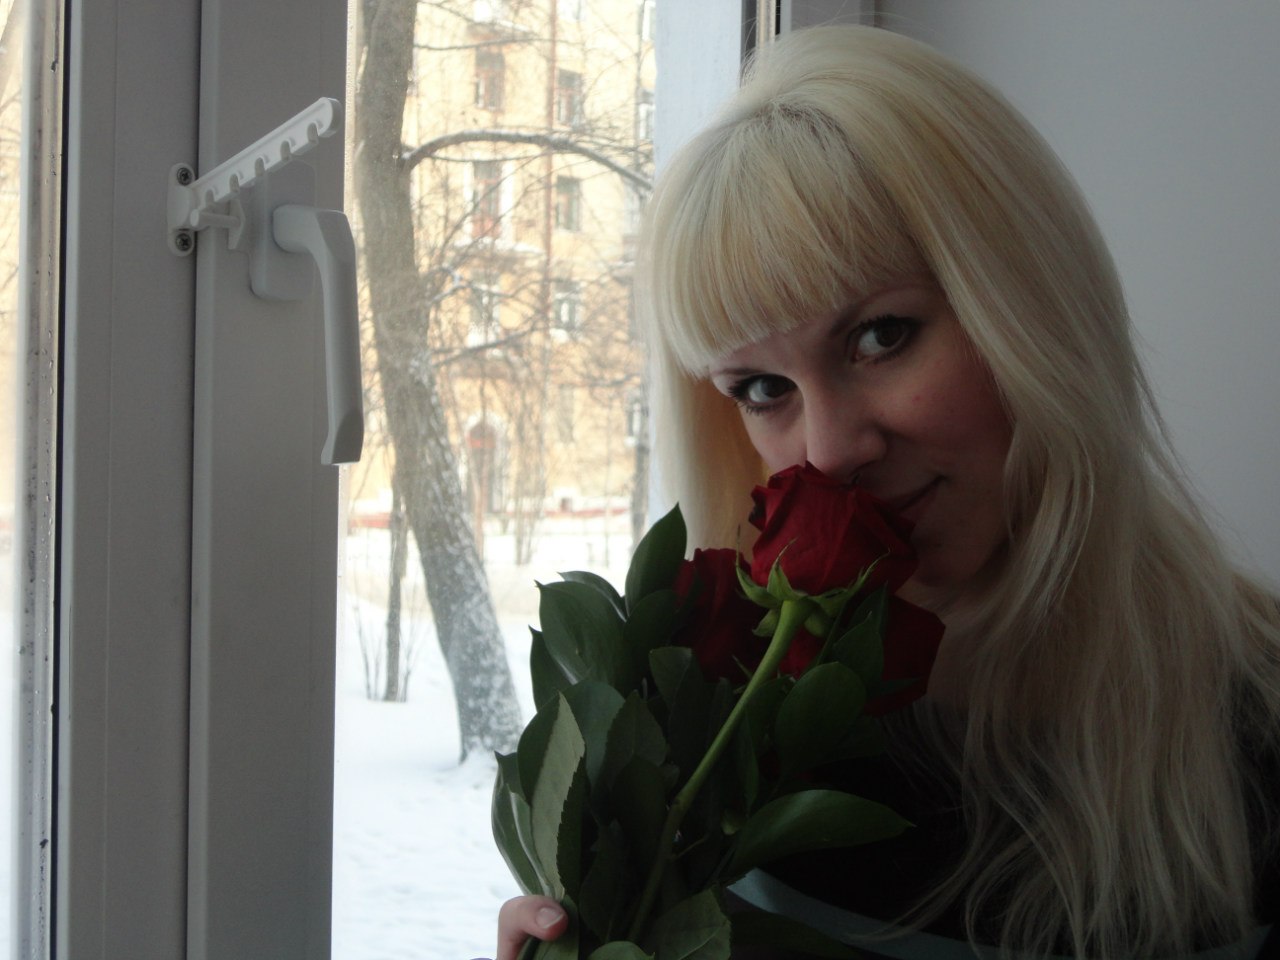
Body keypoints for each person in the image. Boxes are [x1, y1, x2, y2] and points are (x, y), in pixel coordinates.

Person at [496, 24, 1280, 960]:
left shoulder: (1259, 723)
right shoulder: (713, 727)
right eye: (762, 388)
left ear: (1031, 302)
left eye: (880, 336)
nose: (829, 453)